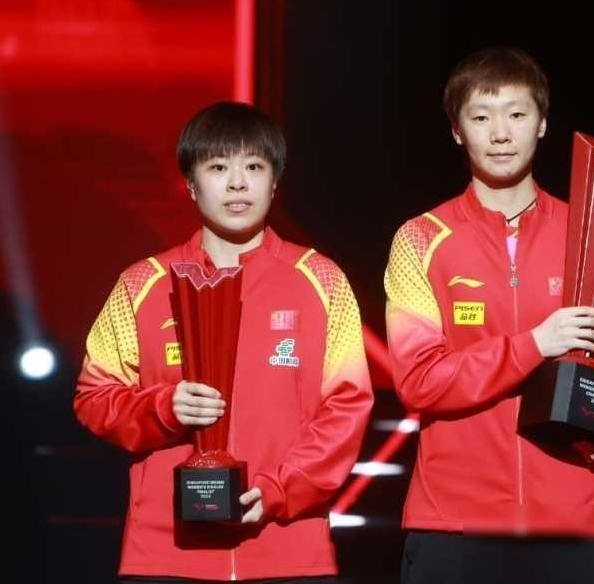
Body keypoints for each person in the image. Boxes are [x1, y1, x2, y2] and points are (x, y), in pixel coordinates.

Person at [74, 101, 373, 582]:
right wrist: (163, 407)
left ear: (274, 182)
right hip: (166, 554)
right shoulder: (142, 283)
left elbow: (347, 405)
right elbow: (94, 397)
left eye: (254, 167)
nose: (237, 183)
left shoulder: (321, 279)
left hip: (289, 551)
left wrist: (279, 489)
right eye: (218, 168)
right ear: (191, 184)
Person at [384, 47, 594, 583]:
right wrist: (534, 344)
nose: (500, 133)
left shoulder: (592, 236)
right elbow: (418, 381)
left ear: (542, 123)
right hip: (454, 523)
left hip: (570, 519)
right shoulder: (420, 240)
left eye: (517, 114)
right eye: (481, 117)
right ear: (457, 131)